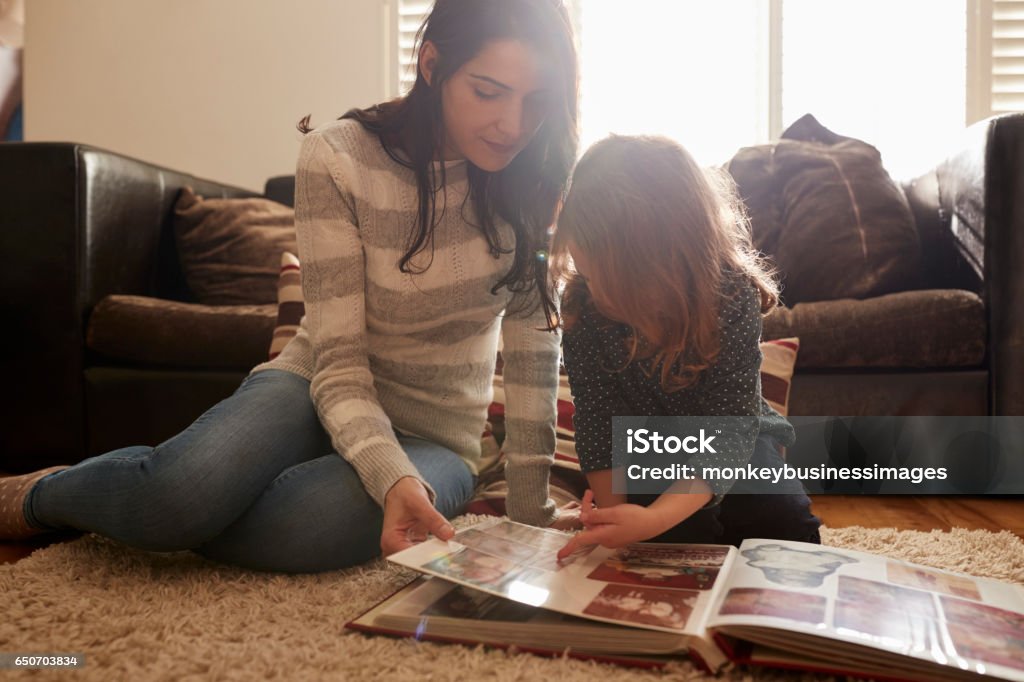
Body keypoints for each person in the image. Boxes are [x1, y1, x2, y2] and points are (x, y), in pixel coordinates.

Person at [0, 0, 579, 573]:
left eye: (536, 101)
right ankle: (41, 494)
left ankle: (173, 509)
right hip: (315, 384)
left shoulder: (535, 183)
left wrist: (533, 519)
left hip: (437, 437)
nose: (514, 125)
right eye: (488, 91)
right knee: (176, 499)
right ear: (432, 66)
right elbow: (341, 363)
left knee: (292, 528)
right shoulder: (339, 156)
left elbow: (533, 360)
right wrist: (387, 472)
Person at [553, 135, 821, 560]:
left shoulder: (730, 295)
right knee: (662, 544)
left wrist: (656, 518)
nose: (599, 293)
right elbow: (597, 425)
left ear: (670, 262)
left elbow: (729, 429)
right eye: (588, 274)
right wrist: (617, 516)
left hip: (736, 441)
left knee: (785, 533)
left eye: (613, 280)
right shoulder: (584, 306)